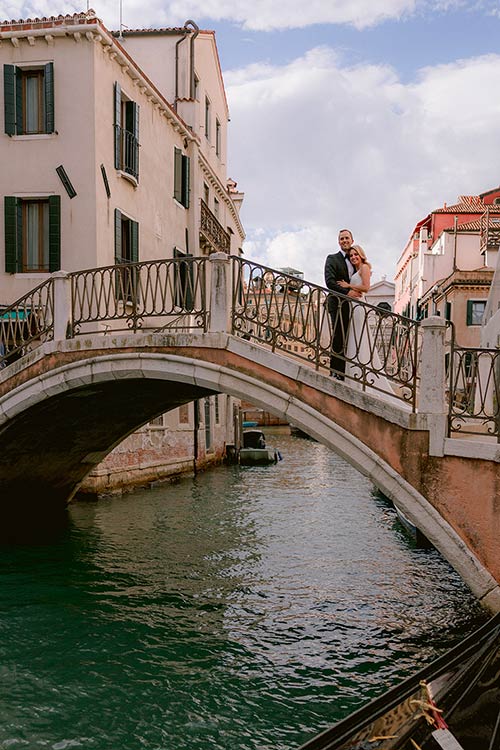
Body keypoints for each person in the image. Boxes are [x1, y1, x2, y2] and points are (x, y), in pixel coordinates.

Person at [338, 245, 399, 400]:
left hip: (359, 307)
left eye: (355, 254)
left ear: (361, 255)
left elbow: (366, 287)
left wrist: (348, 286)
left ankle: (360, 381)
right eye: (351, 255)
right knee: (354, 340)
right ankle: (354, 379)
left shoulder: (364, 268)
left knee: (359, 340)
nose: (353, 257)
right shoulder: (354, 270)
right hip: (353, 306)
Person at [324, 229, 362, 378]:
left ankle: (351, 372)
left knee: (353, 337)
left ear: (352, 240)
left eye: (347, 238)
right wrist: (348, 293)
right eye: (341, 239)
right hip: (338, 303)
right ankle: (336, 372)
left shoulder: (356, 261)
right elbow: (330, 282)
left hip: (354, 306)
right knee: (339, 336)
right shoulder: (332, 258)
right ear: (338, 242)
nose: (344, 241)